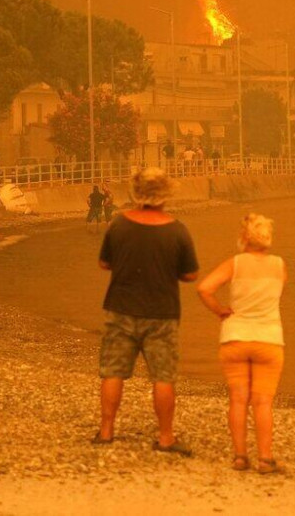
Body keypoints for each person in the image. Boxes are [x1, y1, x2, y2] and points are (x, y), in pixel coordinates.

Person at [94, 167, 199, 456]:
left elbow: (104, 264)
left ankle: (106, 432)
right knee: (162, 377)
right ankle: (165, 438)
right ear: (165, 195)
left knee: (112, 372)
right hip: (161, 313)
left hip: (120, 308)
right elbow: (190, 275)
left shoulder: (119, 225)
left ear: (135, 193)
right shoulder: (177, 229)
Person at [197, 213, 286, 474]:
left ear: (244, 236)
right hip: (268, 339)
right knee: (263, 402)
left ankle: (239, 457)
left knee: (237, 399)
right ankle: (265, 458)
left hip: (235, 337)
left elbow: (205, 288)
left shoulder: (234, 264)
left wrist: (220, 311)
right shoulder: (279, 265)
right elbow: (278, 291)